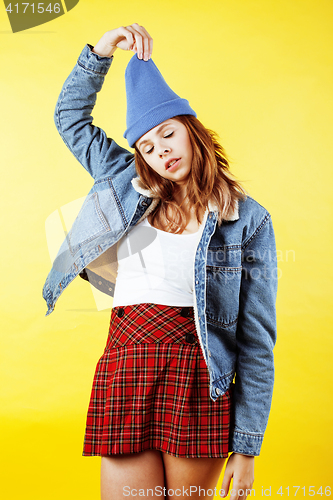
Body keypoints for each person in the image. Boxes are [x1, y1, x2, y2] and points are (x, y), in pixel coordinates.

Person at [43, 24, 278, 500]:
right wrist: (101, 52)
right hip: (125, 361)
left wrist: (248, 448)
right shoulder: (124, 181)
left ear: (191, 130)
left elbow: (256, 337)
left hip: (197, 374)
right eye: (147, 146)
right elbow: (70, 119)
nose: (161, 150)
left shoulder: (247, 220)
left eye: (168, 134)